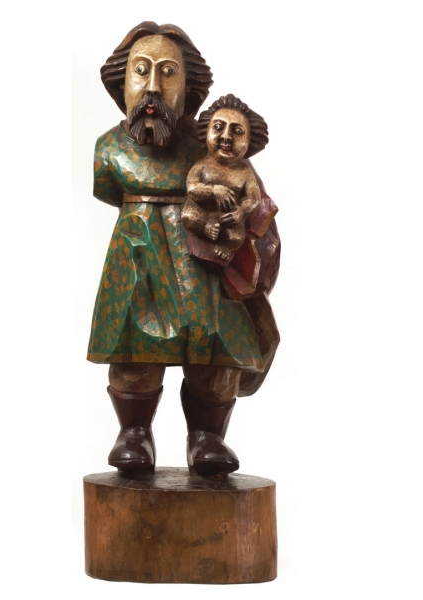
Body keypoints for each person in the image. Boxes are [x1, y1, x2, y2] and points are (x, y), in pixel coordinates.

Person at [88, 22, 280, 477]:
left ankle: (207, 436)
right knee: (133, 354)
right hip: (136, 261)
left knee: (214, 356)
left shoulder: (210, 146)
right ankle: (134, 432)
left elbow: (250, 196)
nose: (153, 86)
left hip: (204, 265)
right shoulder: (109, 150)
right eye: (141, 71)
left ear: (189, 85)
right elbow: (108, 190)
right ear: (121, 82)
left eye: (168, 72)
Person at [182, 94, 268, 262]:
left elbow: (254, 199)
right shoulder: (202, 165)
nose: (226, 136)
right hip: (202, 213)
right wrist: (213, 190)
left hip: (228, 219)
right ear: (206, 131)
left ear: (250, 140)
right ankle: (206, 228)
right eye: (218, 127)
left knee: (236, 237)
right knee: (189, 216)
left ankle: (225, 246)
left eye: (238, 131)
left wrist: (241, 212)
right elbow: (192, 188)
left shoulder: (245, 173)